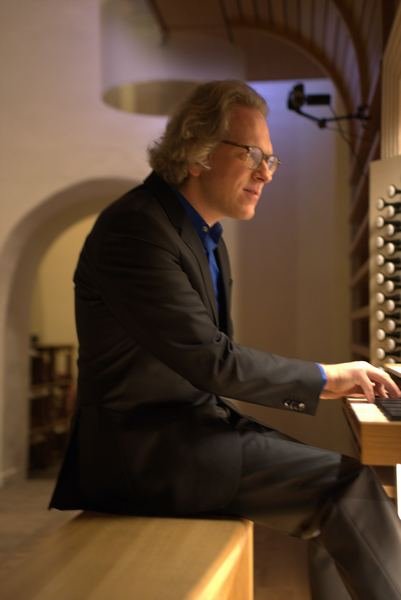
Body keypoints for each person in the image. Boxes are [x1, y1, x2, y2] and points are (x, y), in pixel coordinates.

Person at [50, 80, 401, 599]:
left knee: (346, 489)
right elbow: (213, 362)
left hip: (190, 432)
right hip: (145, 455)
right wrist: (327, 378)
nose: (266, 173)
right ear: (198, 152)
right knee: (348, 490)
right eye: (253, 155)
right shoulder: (137, 229)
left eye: (271, 160)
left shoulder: (204, 236)